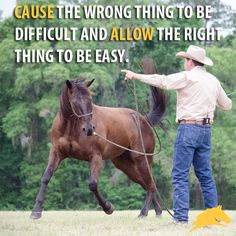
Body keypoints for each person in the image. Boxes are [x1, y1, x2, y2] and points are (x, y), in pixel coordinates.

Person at [121, 45, 232, 223]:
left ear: (190, 61)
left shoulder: (187, 77)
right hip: (206, 131)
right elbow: (227, 106)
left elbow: (163, 81)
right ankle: (214, 216)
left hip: (188, 129)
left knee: (180, 174)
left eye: (185, 60)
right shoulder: (213, 81)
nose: (184, 64)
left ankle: (181, 218)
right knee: (205, 175)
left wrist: (136, 76)